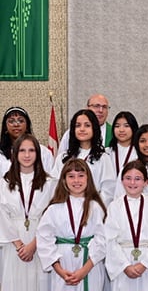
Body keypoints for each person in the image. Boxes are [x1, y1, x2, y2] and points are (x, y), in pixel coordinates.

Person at [36, 159, 107, 291]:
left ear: (88, 179)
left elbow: (102, 240)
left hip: (89, 265)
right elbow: (44, 240)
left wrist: (84, 270)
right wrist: (59, 270)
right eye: (71, 176)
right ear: (64, 180)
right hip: (63, 265)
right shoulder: (54, 209)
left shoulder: (96, 207)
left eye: (81, 176)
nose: (76, 181)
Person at [0, 133, 56, 291]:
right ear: (15, 154)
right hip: (14, 244)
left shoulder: (49, 183)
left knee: (39, 283)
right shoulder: (4, 183)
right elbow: (1, 216)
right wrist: (19, 245)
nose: (26, 155)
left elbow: (51, 216)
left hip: (40, 241)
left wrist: (34, 244)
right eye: (22, 150)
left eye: (31, 150)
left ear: (38, 154)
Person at [105, 160, 148, 291]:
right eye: (128, 178)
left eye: (138, 179)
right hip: (123, 265)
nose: (132, 183)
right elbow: (109, 239)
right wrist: (124, 266)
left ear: (145, 182)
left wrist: (145, 264)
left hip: (147, 264)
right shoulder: (114, 207)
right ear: (122, 180)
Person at [51, 109, 115, 206]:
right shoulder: (63, 158)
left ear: (94, 128)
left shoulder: (103, 158)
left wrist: (93, 208)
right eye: (78, 125)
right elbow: (54, 185)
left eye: (87, 125)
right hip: (66, 209)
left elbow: (108, 189)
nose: (82, 129)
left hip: (93, 209)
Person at [0, 107, 54, 175]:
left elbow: (49, 180)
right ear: (5, 127)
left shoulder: (43, 152)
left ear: (27, 126)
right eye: (11, 121)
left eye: (21, 121)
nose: (16, 124)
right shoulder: (1, 154)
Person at [106, 111, 139, 177]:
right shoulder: (106, 152)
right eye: (117, 126)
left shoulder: (139, 152)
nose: (121, 130)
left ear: (134, 128)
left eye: (126, 126)